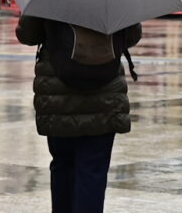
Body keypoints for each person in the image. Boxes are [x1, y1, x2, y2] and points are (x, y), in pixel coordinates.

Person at [16, 15, 141, 213]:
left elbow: (27, 35)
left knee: (62, 167)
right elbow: (132, 36)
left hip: (58, 96)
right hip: (104, 96)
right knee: (93, 172)